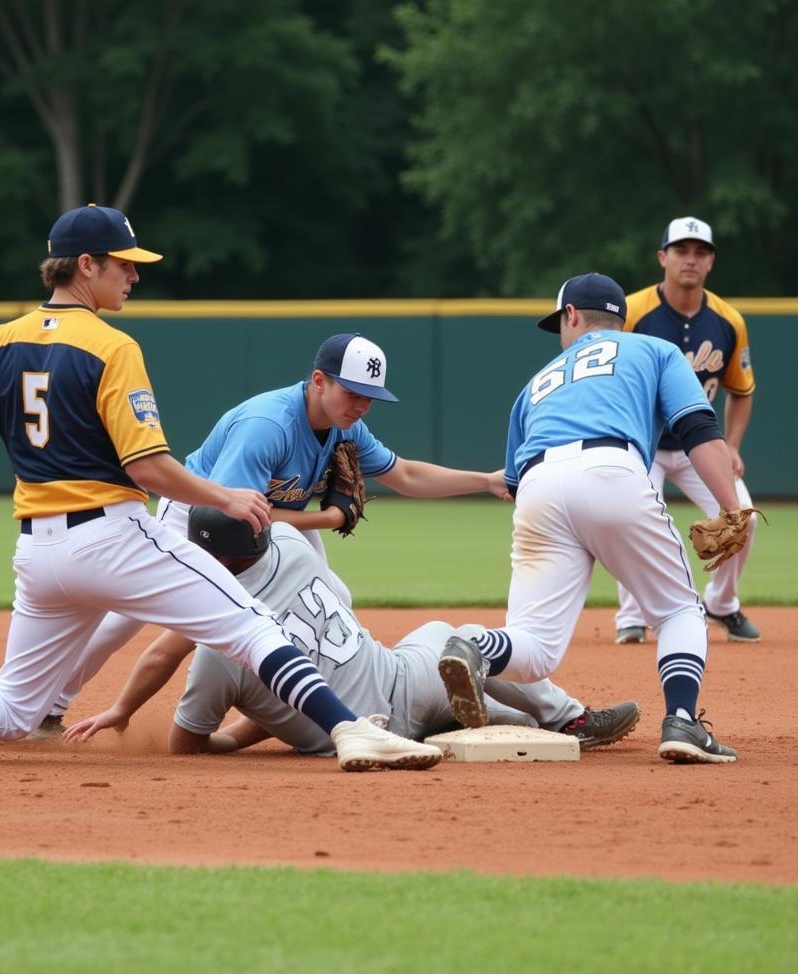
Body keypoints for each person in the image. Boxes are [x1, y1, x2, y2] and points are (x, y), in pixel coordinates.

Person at [0, 203, 442, 773]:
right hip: (110, 535)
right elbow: (150, 467)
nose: (134, 273)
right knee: (254, 622)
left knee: (15, 707)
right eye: (124, 262)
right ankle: (353, 731)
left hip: (38, 556)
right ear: (85, 264)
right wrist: (225, 497)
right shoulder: (110, 347)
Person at [37, 329, 523, 729]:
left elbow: (405, 475)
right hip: (202, 519)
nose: (361, 406)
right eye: (353, 393)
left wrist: (484, 480)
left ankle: (306, 703)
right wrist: (328, 519)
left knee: (333, 596)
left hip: (269, 521)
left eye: (370, 398)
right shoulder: (266, 426)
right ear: (318, 381)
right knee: (125, 620)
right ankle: (51, 707)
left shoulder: (346, 425)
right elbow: (233, 514)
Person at [444, 272, 745, 765]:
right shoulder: (654, 349)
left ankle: (474, 644)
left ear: (571, 316)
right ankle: (684, 723)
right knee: (677, 611)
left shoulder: (534, 385)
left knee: (536, 649)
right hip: (611, 471)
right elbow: (696, 427)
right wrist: (730, 506)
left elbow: (516, 482)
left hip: (539, 488)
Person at [63, 507, 640, 755]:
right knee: (452, 637)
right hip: (407, 682)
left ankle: (525, 730)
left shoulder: (220, 651)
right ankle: (565, 720)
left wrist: (268, 725)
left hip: (353, 735)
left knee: (469, 706)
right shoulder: (290, 542)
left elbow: (186, 744)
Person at [614, 217, 759, 644]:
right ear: (663, 257)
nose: (690, 260)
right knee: (631, 515)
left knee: (743, 517)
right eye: (681, 251)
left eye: (700, 252)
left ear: (711, 261)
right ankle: (631, 616)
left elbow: (742, 389)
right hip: (643, 442)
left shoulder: (728, 320)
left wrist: (731, 445)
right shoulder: (632, 311)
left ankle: (722, 603)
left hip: (700, 444)